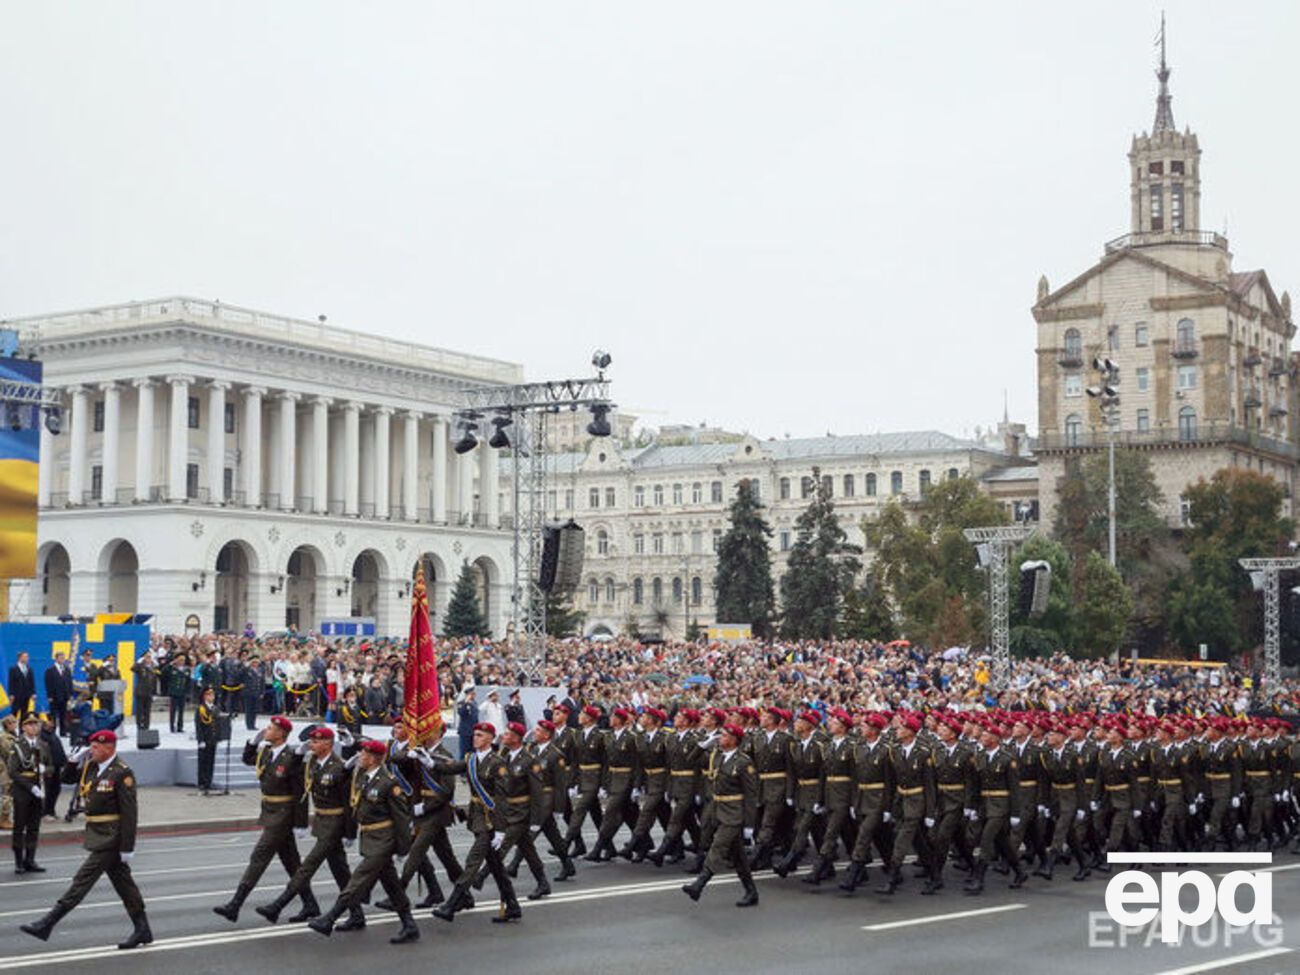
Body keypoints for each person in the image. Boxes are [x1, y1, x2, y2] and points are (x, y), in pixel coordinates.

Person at [19, 729, 152, 950]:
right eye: (92, 746)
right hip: (97, 832)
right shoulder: (91, 766)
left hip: (111, 836)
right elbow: (66, 779)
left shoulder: (121, 773)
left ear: (110, 748)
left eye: (97, 747)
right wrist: (73, 761)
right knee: (124, 884)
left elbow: (130, 813)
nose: (92, 749)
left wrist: (127, 846)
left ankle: (47, 923)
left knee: (82, 880)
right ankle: (142, 928)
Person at [308, 738, 419, 944]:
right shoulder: (362, 776)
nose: (361, 756)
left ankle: (330, 918)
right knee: (392, 885)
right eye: (361, 753)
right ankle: (409, 924)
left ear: (375, 759)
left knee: (358, 879)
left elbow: (402, 819)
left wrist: (403, 848)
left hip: (383, 839)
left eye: (365, 755)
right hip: (369, 838)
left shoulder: (388, 782)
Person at [256, 726, 362, 930]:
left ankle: (278, 905)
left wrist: (350, 832)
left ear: (328, 745)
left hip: (335, 824)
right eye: (311, 741)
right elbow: (291, 772)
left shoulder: (338, 765)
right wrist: (298, 754)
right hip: (322, 822)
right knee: (340, 870)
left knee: (308, 866)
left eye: (315, 742)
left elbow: (350, 802)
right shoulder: (313, 762)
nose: (311, 744)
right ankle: (356, 913)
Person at [213, 714, 308, 922]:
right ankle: (310, 904)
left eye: (271, 729)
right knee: (291, 862)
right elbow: (247, 759)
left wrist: (301, 823)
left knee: (259, 856)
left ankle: (235, 904)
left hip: (283, 813)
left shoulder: (292, 757)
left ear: (282, 734)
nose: (267, 731)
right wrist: (252, 743)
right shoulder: (266, 752)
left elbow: (301, 792)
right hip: (269, 809)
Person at [430, 722, 522, 924]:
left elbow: (501, 798)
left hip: (490, 822)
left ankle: (451, 905)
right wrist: (429, 763)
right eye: (475, 734)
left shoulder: (497, 763)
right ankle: (513, 906)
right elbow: (451, 767)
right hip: (477, 817)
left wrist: (500, 830)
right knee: (496, 866)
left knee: (473, 861)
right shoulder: (471, 758)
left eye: (480, 735)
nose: (475, 738)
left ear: (490, 738)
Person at [680, 722, 759, 907]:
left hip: (734, 813)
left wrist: (749, 825)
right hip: (717, 810)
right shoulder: (717, 757)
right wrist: (702, 746)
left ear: (733, 740)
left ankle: (699, 884)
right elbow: (689, 761)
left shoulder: (743, 762)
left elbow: (751, 795)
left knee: (718, 847)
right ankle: (751, 892)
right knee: (738, 856)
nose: (719, 738)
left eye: (723, 735)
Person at [8, 713, 49, 874]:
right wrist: (30, 787)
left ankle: (30, 860)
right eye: (29, 724)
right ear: (23, 727)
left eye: (35, 724)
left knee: (34, 827)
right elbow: (13, 771)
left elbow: (51, 765)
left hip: (39, 789)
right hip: (22, 791)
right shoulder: (17, 745)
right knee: (19, 827)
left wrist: (46, 770)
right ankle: (18, 861)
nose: (33, 727)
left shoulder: (42, 745)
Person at [39, 715, 66, 820]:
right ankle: (45, 812)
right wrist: (47, 768)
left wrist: (64, 762)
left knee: (55, 790)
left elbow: (59, 750)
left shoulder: (53, 735)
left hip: (57, 767)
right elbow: (43, 754)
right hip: (48, 769)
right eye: (50, 721)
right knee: (48, 791)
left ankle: (51, 810)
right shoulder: (42, 737)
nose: (52, 724)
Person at [195, 687, 220, 793]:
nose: (211, 697)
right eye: (209, 695)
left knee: (211, 761)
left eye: (212, 695)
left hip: (212, 739)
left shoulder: (215, 708)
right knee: (203, 762)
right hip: (204, 739)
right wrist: (200, 740)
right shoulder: (201, 709)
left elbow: (217, 723)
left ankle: (208, 782)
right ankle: (202, 782)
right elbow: (199, 726)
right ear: (204, 696)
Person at [44, 652, 74, 737]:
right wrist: (49, 696)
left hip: (64, 696)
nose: (62, 659)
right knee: (53, 715)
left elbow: (69, 682)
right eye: (61, 658)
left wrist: (70, 694)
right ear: (56, 659)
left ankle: (63, 732)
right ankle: (52, 732)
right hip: (54, 696)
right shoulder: (50, 670)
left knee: (63, 714)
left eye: (63, 658)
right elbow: (48, 684)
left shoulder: (66, 669)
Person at [161, 654, 192, 733]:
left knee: (181, 711)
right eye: (180, 659)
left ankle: (180, 727)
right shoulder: (171, 668)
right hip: (173, 692)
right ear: (176, 659)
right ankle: (172, 726)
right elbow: (163, 672)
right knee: (173, 711)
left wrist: (188, 692)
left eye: (183, 660)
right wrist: (170, 664)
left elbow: (188, 682)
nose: (182, 661)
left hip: (182, 692)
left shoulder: (187, 669)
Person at [131, 655, 158, 732]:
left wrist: (155, 693)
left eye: (150, 658)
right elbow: (133, 669)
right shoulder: (140, 667)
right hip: (141, 692)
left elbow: (154, 681)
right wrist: (138, 662)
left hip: (149, 692)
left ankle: (146, 726)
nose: (148, 659)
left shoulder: (153, 668)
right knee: (140, 711)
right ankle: (139, 726)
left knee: (147, 711)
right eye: (147, 658)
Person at [7, 651, 35, 722]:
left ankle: (22, 730)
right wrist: (11, 694)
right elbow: (11, 682)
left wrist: (33, 693)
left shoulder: (29, 669)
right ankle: (11, 730)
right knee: (14, 713)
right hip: (17, 695)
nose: (27, 658)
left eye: (27, 657)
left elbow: (32, 682)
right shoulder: (13, 669)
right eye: (25, 657)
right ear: (20, 658)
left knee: (24, 714)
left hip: (26, 695)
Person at [457, 688, 478, 756]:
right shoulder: (461, 703)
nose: (474, 695)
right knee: (464, 753)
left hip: (473, 732)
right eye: (472, 694)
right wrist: (466, 702)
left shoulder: (474, 703)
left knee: (473, 753)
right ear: (467, 695)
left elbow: (475, 718)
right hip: (465, 732)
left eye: (474, 694)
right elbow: (461, 713)